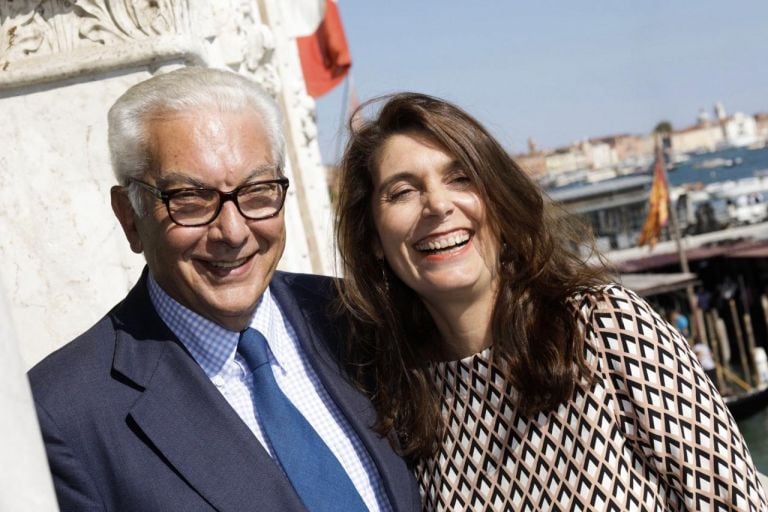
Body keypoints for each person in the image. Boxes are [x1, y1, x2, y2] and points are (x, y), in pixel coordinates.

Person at [334, 92, 768, 511]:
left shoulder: (605, 330)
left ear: (498, 203)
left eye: (460, 177)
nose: (438, 205)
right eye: (403, 192)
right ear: (374, 236)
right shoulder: (400, 396)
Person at [28, 68, 420, 512]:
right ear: (129, 216)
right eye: (190, 199)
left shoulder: (359, 317)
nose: (232, 232)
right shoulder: (63, 414)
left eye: (257, 192)